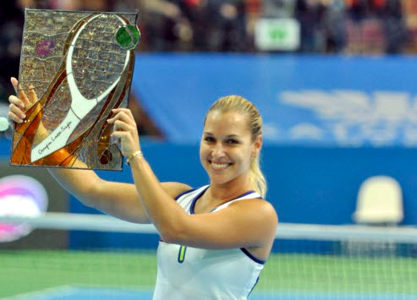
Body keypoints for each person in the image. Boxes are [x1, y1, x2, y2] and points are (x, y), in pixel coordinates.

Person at [8, 77, 278, 299]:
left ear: (256, 145)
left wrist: (135, 155)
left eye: (231, 142)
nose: (218, 152)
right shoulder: (178, 196)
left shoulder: (259, 215)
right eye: (210, 139)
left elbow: (176, 229)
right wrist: (37, 136)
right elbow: (92, 190)